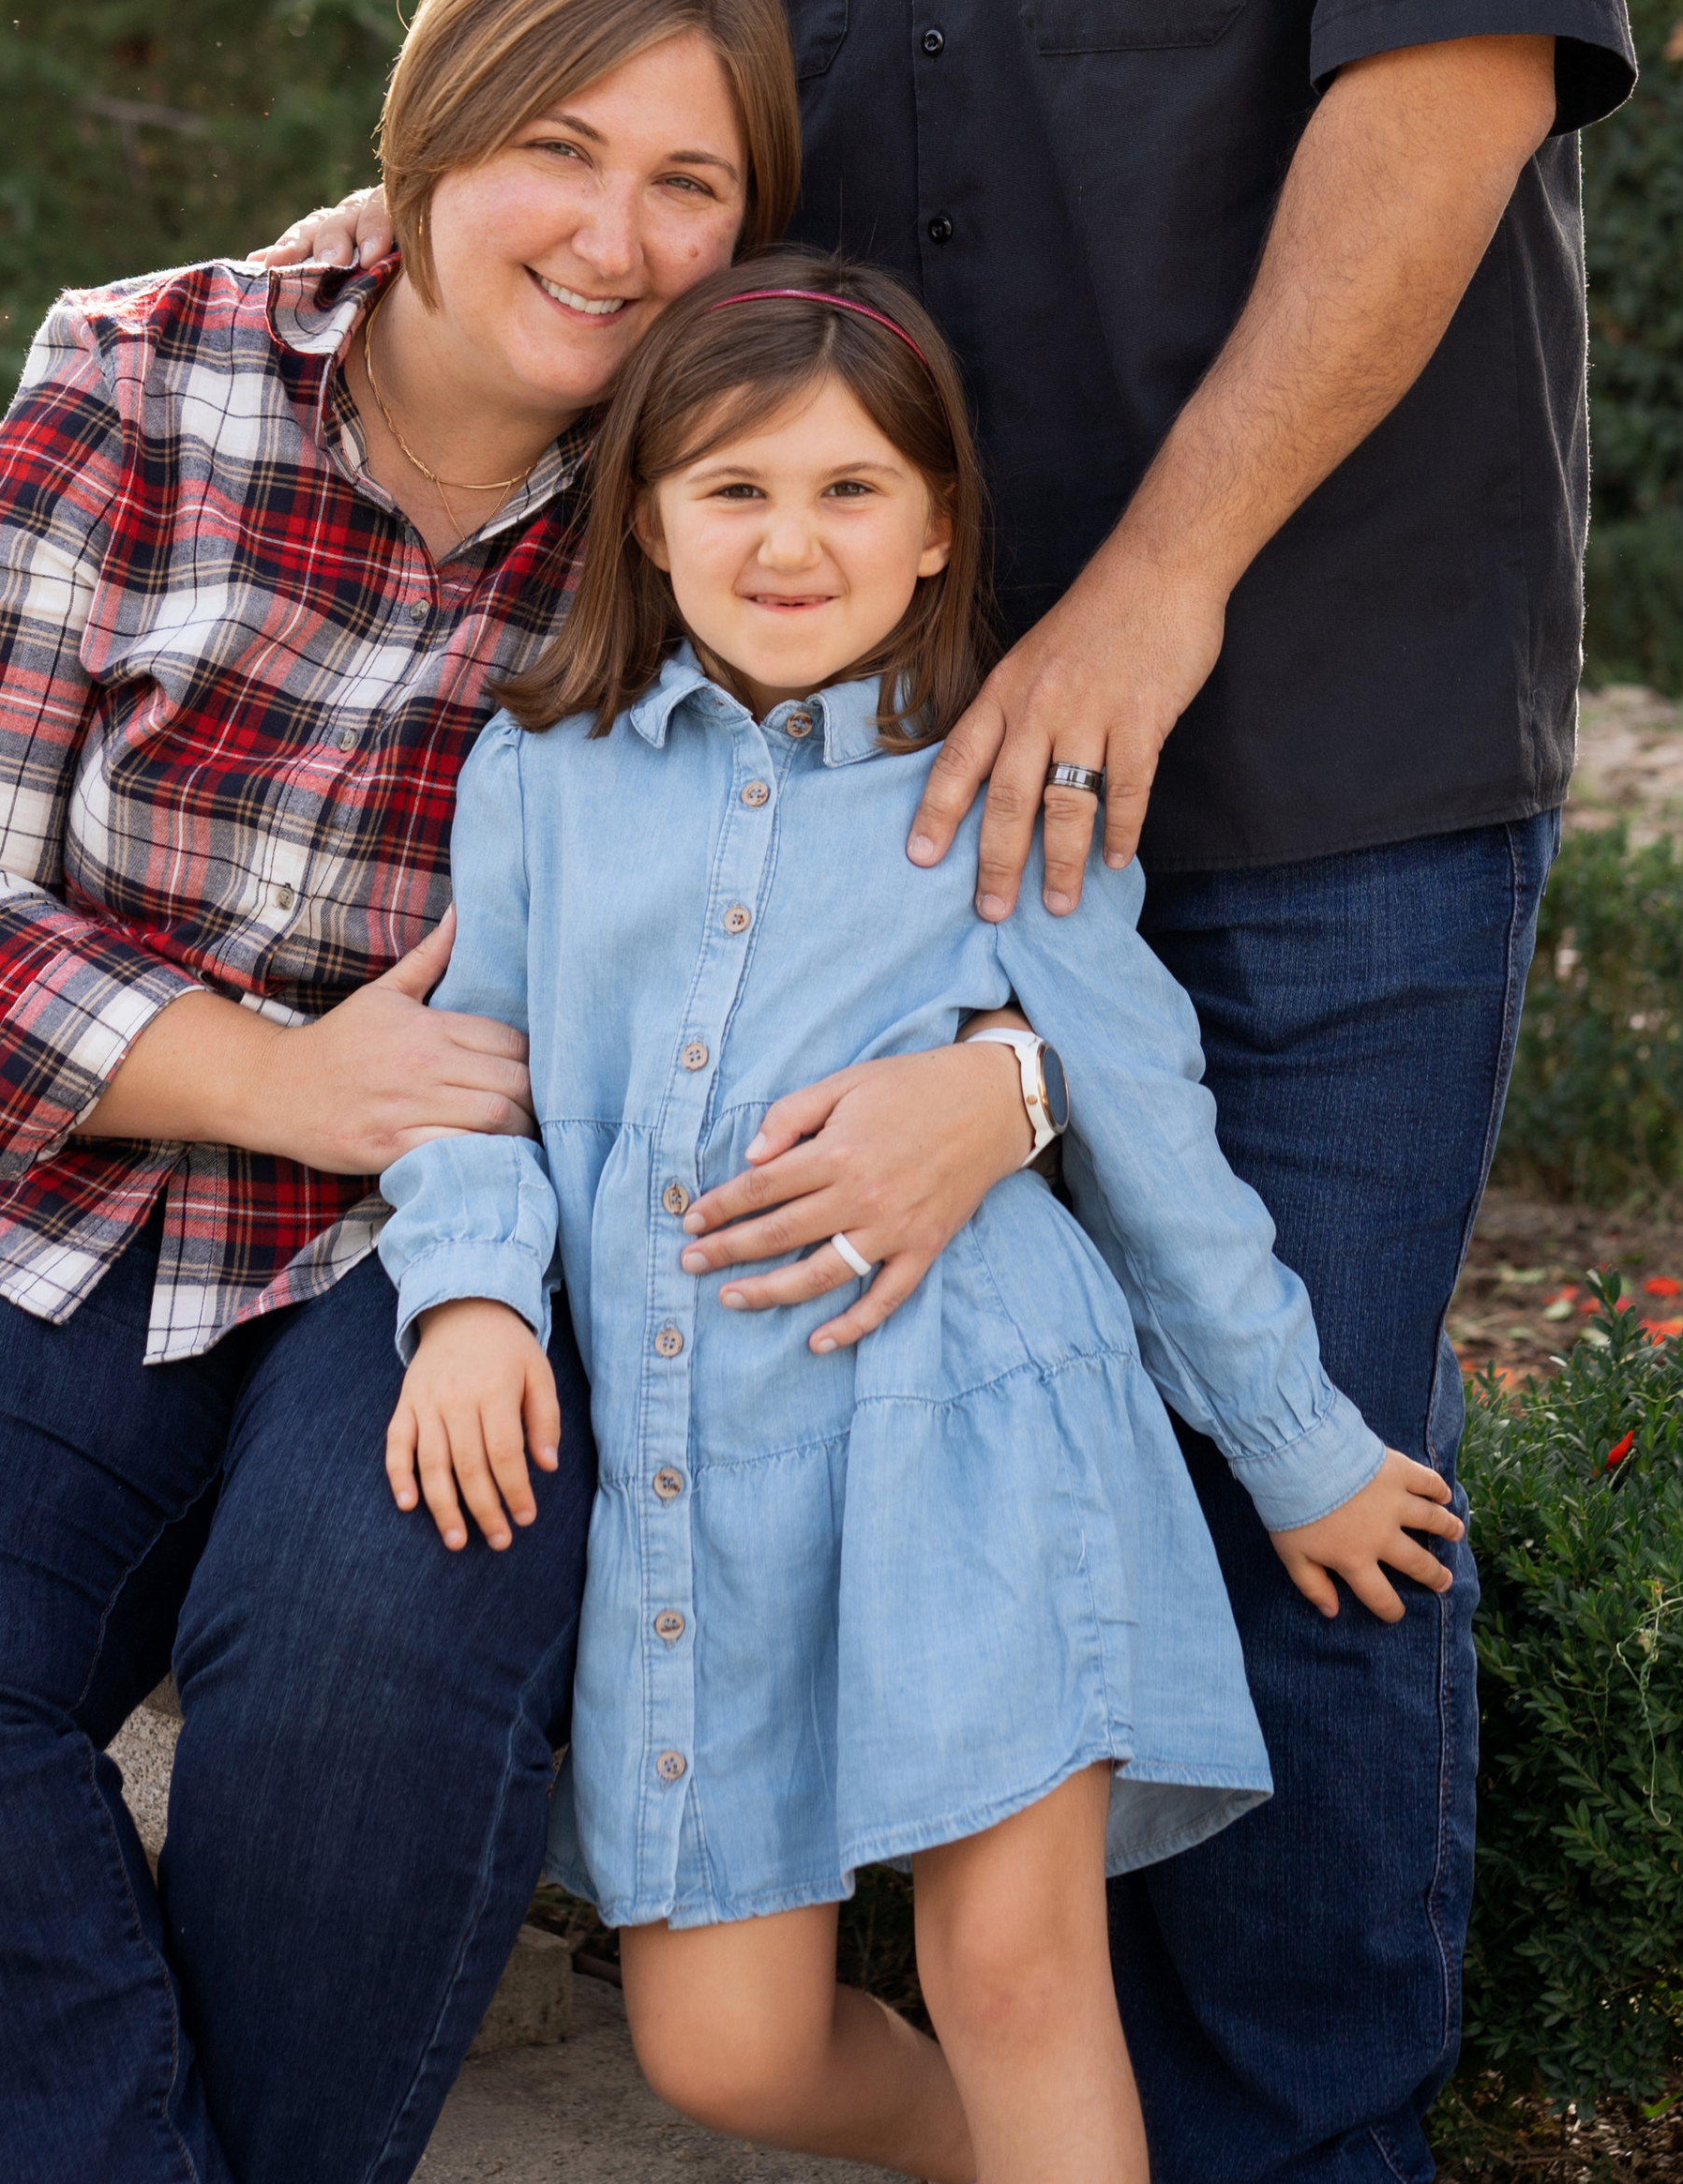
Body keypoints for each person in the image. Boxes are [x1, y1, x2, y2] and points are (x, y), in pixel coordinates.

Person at [261, 0, 1637, 2181]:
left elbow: (1439, 111)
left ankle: (1304, 2146)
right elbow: (630, 106)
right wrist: (420, 203)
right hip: (850, 801)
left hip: (1301, 751)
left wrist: (1148, 588)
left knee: (1269, 1446)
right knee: (916, 1420)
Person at [0, 0, 1046, 2184]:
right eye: (553, 147)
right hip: (72, 1169)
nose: (615, 238)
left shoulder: (731, 479)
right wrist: (276, 1075)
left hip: (465, 1258)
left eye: (689, 182)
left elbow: (931, 860)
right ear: (425, 143)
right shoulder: (145, 375)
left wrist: (1006, 1078)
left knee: (379, 1656)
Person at [375, 252, 1465, 2184]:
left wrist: (1297, 1453)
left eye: (846, 489)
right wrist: (466, 1302)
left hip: (973, 1452)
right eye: (732, 488)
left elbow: (1149, 1134)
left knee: (1020, 1974)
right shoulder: (537, 781)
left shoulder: (998, 790)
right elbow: (472, 1079)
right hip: (694, 1494)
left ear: (935, 520)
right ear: (644, 510)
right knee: (721, 2050)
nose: (788, 542)